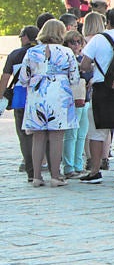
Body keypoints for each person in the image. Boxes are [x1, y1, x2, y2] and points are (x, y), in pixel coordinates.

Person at [19, 19, 83, 187]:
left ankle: (37, 176)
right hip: (59, 95)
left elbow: (23, 78)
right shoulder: (67, 52)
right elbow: (74, 78)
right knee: (56, 137)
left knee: (38, 137)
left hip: (37, 95)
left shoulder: (32, 52)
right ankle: (55, 176)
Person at [79, 7, 114, 183]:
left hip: (102, 87)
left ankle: (95, 171)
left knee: (97, 131)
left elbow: (85, 64)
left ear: (107, 22)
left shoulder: (98, 39)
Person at [2, 25, 39, 181]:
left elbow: (5, 78)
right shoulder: (42, 52)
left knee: (24, 136)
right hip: (40, 96)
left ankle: (31, 170)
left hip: (21, 98)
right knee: (43, 134)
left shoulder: (15, 54)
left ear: (25, 37)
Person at [61, 30, 90, 179]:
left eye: (79, 42)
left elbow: (89, 73)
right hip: (72, 98)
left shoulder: (83, 57)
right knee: (71, 134)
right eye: (73, 42)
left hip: (85, 98)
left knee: (82, 134)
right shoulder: (65, 57)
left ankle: (78, 164)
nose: (76, 45)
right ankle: (69, 166)